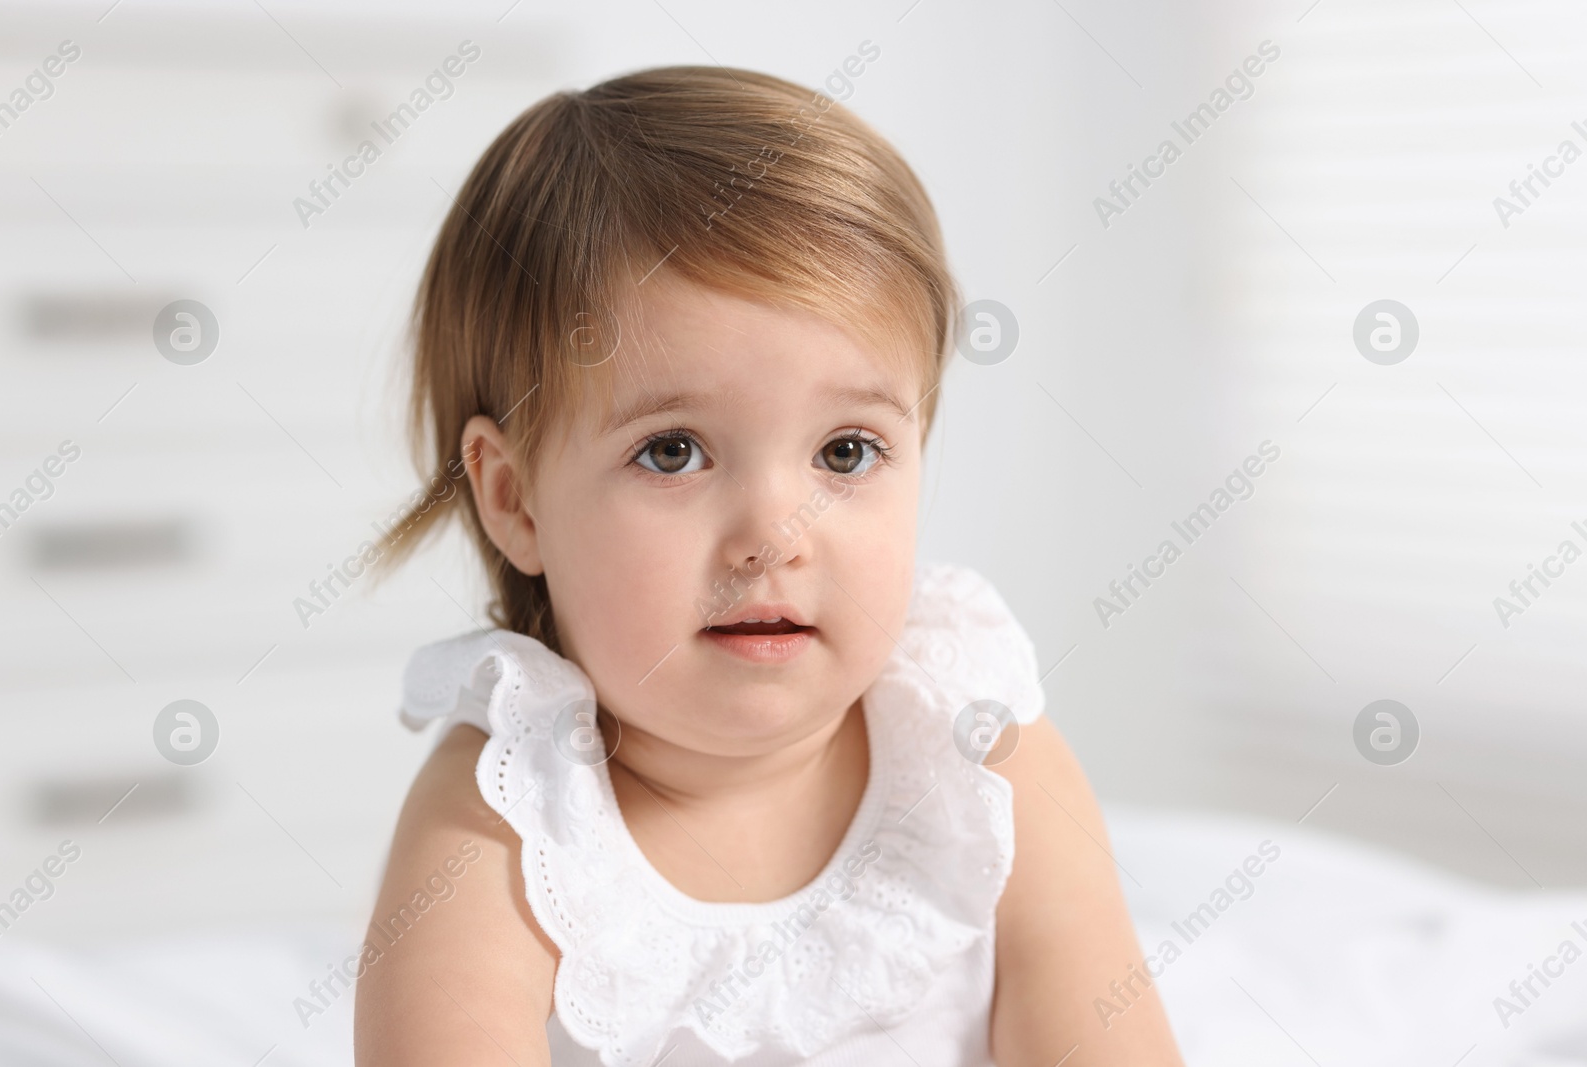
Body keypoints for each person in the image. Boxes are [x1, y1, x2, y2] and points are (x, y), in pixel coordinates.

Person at [354, 64, 1185, 1067]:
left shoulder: (973, 742)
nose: (775, 533)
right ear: (515, 498)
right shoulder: (508, 815)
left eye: (845, 451)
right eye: (673, 450)